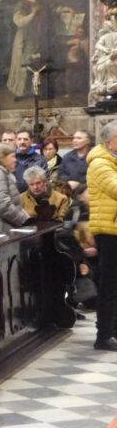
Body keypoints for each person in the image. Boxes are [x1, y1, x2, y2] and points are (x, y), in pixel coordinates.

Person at [88, 120, 117, 351]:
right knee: (109, 285)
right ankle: (104, 335)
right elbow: (114, 188)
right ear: (110, 141)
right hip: (108, 231)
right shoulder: (100, 163)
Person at [0, 143, 30, 234]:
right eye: (12, 156)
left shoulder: (4, 173)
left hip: (6, 226)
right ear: (2, 157)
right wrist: (23, 220)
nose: (15, 160)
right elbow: (3, 205)